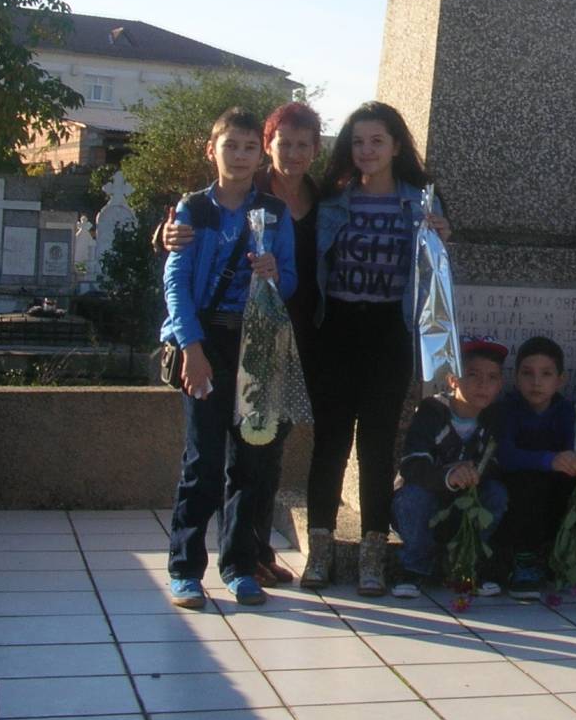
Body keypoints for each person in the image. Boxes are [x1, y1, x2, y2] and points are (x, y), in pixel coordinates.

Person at [161, 100, 324, 586]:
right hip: (206, 341)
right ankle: (186, 568)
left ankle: (238, 565)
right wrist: (191, 348)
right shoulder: (193, 209)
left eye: (249, 147)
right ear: (211, 150)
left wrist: (274, 275)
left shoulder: (273, 212)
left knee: (250, 461)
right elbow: (175, 283)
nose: (239, 155)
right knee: (203, 461)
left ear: (260, 155)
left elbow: (290, 279)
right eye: (230, 146)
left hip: (257, 345)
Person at [302, 101, 451, 597]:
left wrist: (441, 239)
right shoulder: (333, 200)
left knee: (378, 442)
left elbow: (434, 274)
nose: (366, 151)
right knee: (330, 440)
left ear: (396, 146)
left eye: (377, 141)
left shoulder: (422, 202)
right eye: (358, 142)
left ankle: (372, 552)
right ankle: (320, 548)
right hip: (338, 328)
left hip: (390, 331)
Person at [390, 338, 509, 599]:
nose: (483, 385)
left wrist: (476, 472)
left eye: (492, 378)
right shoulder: (432, 412)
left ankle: (470, 561)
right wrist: (448, 475)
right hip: (426, 506)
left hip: (464, 507)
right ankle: (415, 566)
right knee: (413, 497)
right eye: (473, 375)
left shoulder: (494, 418)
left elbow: (497, 465)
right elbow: (412, 465)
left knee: (496, 494)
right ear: (453, 380)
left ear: (500, 384)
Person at [494, 337, 576, 598]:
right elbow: (505, 455)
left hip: (555, 489)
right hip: (520, 492)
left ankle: (571, 557)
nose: (536, 382)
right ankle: (525, 560)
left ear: (560, 380)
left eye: (546, 374)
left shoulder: (566, 410)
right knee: (526, 483)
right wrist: (548, 460)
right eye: (527, 373)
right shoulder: (507, 410)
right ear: (516, 377)